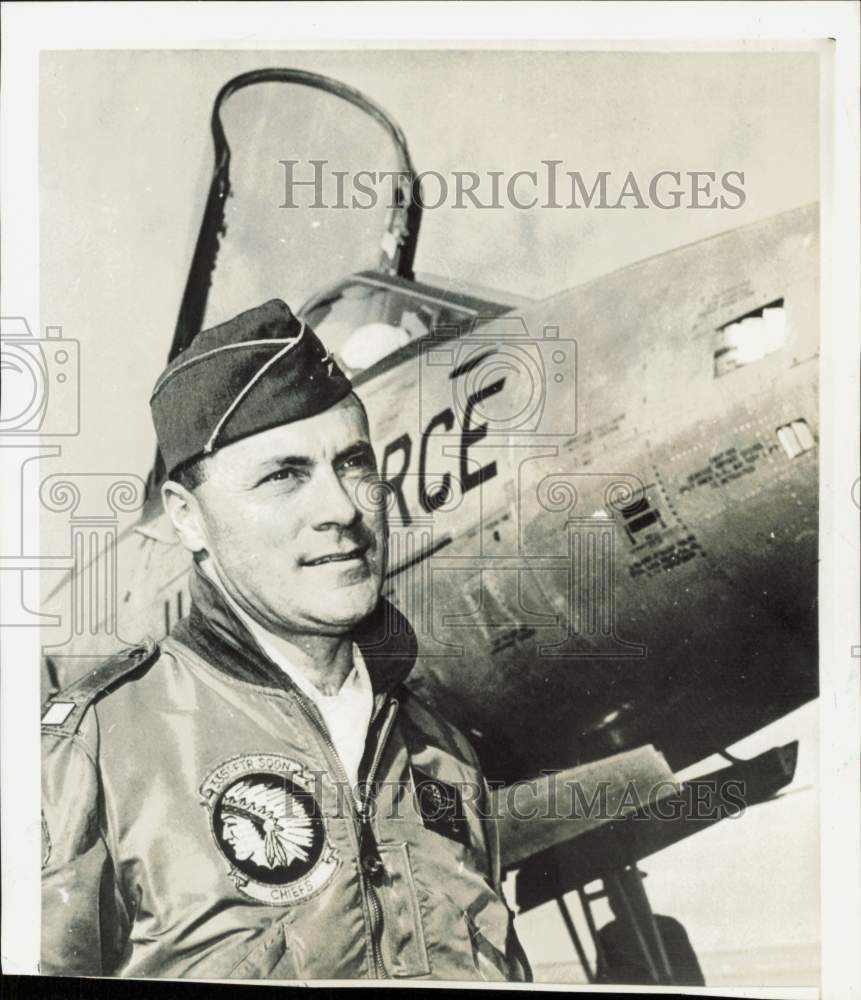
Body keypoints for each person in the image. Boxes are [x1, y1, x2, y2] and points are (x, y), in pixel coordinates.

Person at [40, 299, 530, 982]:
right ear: (186, 518)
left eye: (355, 466)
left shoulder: (441, 755)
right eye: (283, 477)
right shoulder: (96, 756)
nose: (340, 509)